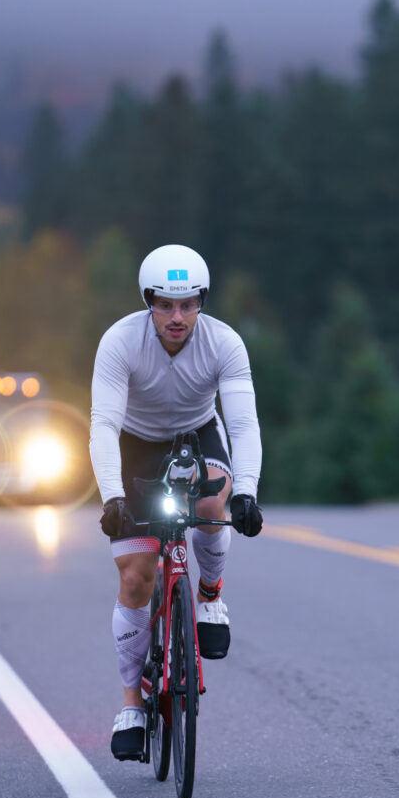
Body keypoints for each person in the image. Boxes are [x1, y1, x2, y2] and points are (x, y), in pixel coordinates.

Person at [89, 245, 264, 761]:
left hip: (195, 435)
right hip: (135, 443)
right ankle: (131, 703)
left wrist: (248, 490)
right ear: (148, 301)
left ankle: (209, 597)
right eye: (164, 305)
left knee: (214, 504)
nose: (177, 317)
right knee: (136, 577)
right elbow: (102, 424)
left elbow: (243, 424)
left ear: (201, 302)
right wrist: (112, 497)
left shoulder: (225, 344)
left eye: (188, 305)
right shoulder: (120, 342)